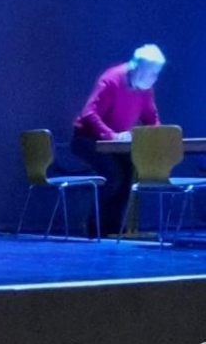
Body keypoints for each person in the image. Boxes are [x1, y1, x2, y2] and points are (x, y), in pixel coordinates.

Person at [71, 43, 166, 234]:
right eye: (152, 73)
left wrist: (156, 136)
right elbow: (89, 113)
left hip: (116, 146)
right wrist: (110, 135)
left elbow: (151, 117)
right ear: (138, 68)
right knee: (113, 177)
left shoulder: (145, 88)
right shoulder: (112, 79)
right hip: (88, 140)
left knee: (128, 176)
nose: (155, 78)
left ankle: (113, 230)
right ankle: (95, 227)